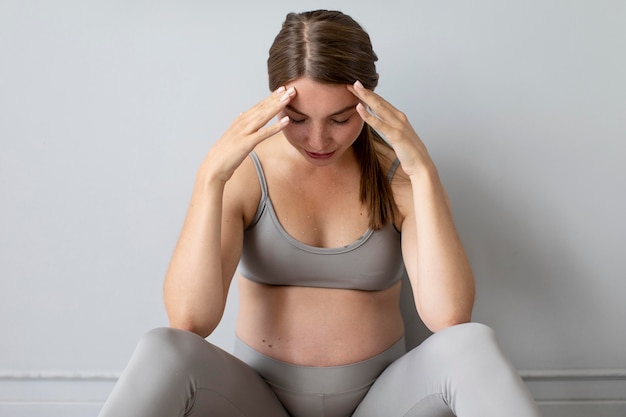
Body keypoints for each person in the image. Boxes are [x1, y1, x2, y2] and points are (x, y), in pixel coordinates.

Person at [98, 10, 541, 417]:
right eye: (297, 117)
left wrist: (422, 170)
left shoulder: (397, 176)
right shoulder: (248, 173)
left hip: (381, 404)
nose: (318, 139)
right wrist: (210, 177)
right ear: (274, 103)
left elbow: (449, 318)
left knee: (472, 343)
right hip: (258, 403)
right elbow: (190, 321)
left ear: (366, 103)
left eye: (340, 119)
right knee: (162, 347)